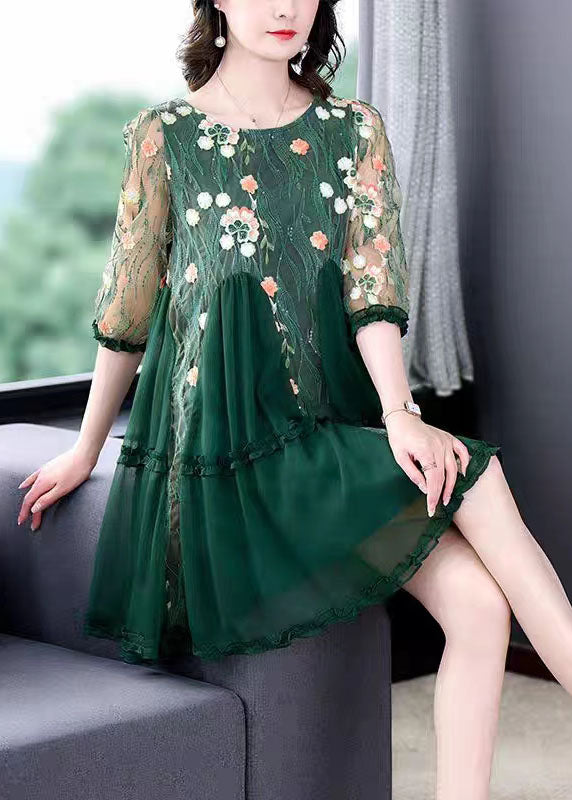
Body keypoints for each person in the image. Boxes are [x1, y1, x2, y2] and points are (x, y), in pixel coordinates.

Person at [15, 1, 572, 796]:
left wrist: (399, 414)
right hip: (229, 463)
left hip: (324, 439)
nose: (284, 7)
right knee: (482, 479)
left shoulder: (354, 131)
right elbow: (127, 315)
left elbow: (370, 294)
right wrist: (84, 448)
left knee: (481, 607)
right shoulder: (165, 136)